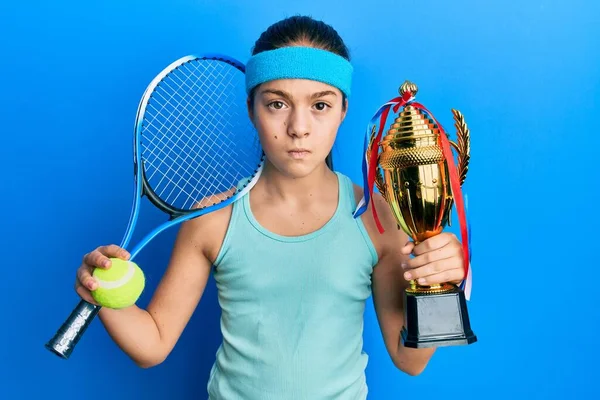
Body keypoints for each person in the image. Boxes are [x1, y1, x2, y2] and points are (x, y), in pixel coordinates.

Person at [74, 15, 466, 400]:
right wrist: (105, 294)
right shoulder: (213, 218)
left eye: (320, 105)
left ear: (343, 111)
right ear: (251, 110)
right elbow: (153, 344)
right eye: (277, 104)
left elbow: (410, 360)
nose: (299, 127)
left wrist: (441, 285)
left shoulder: (377, 217)